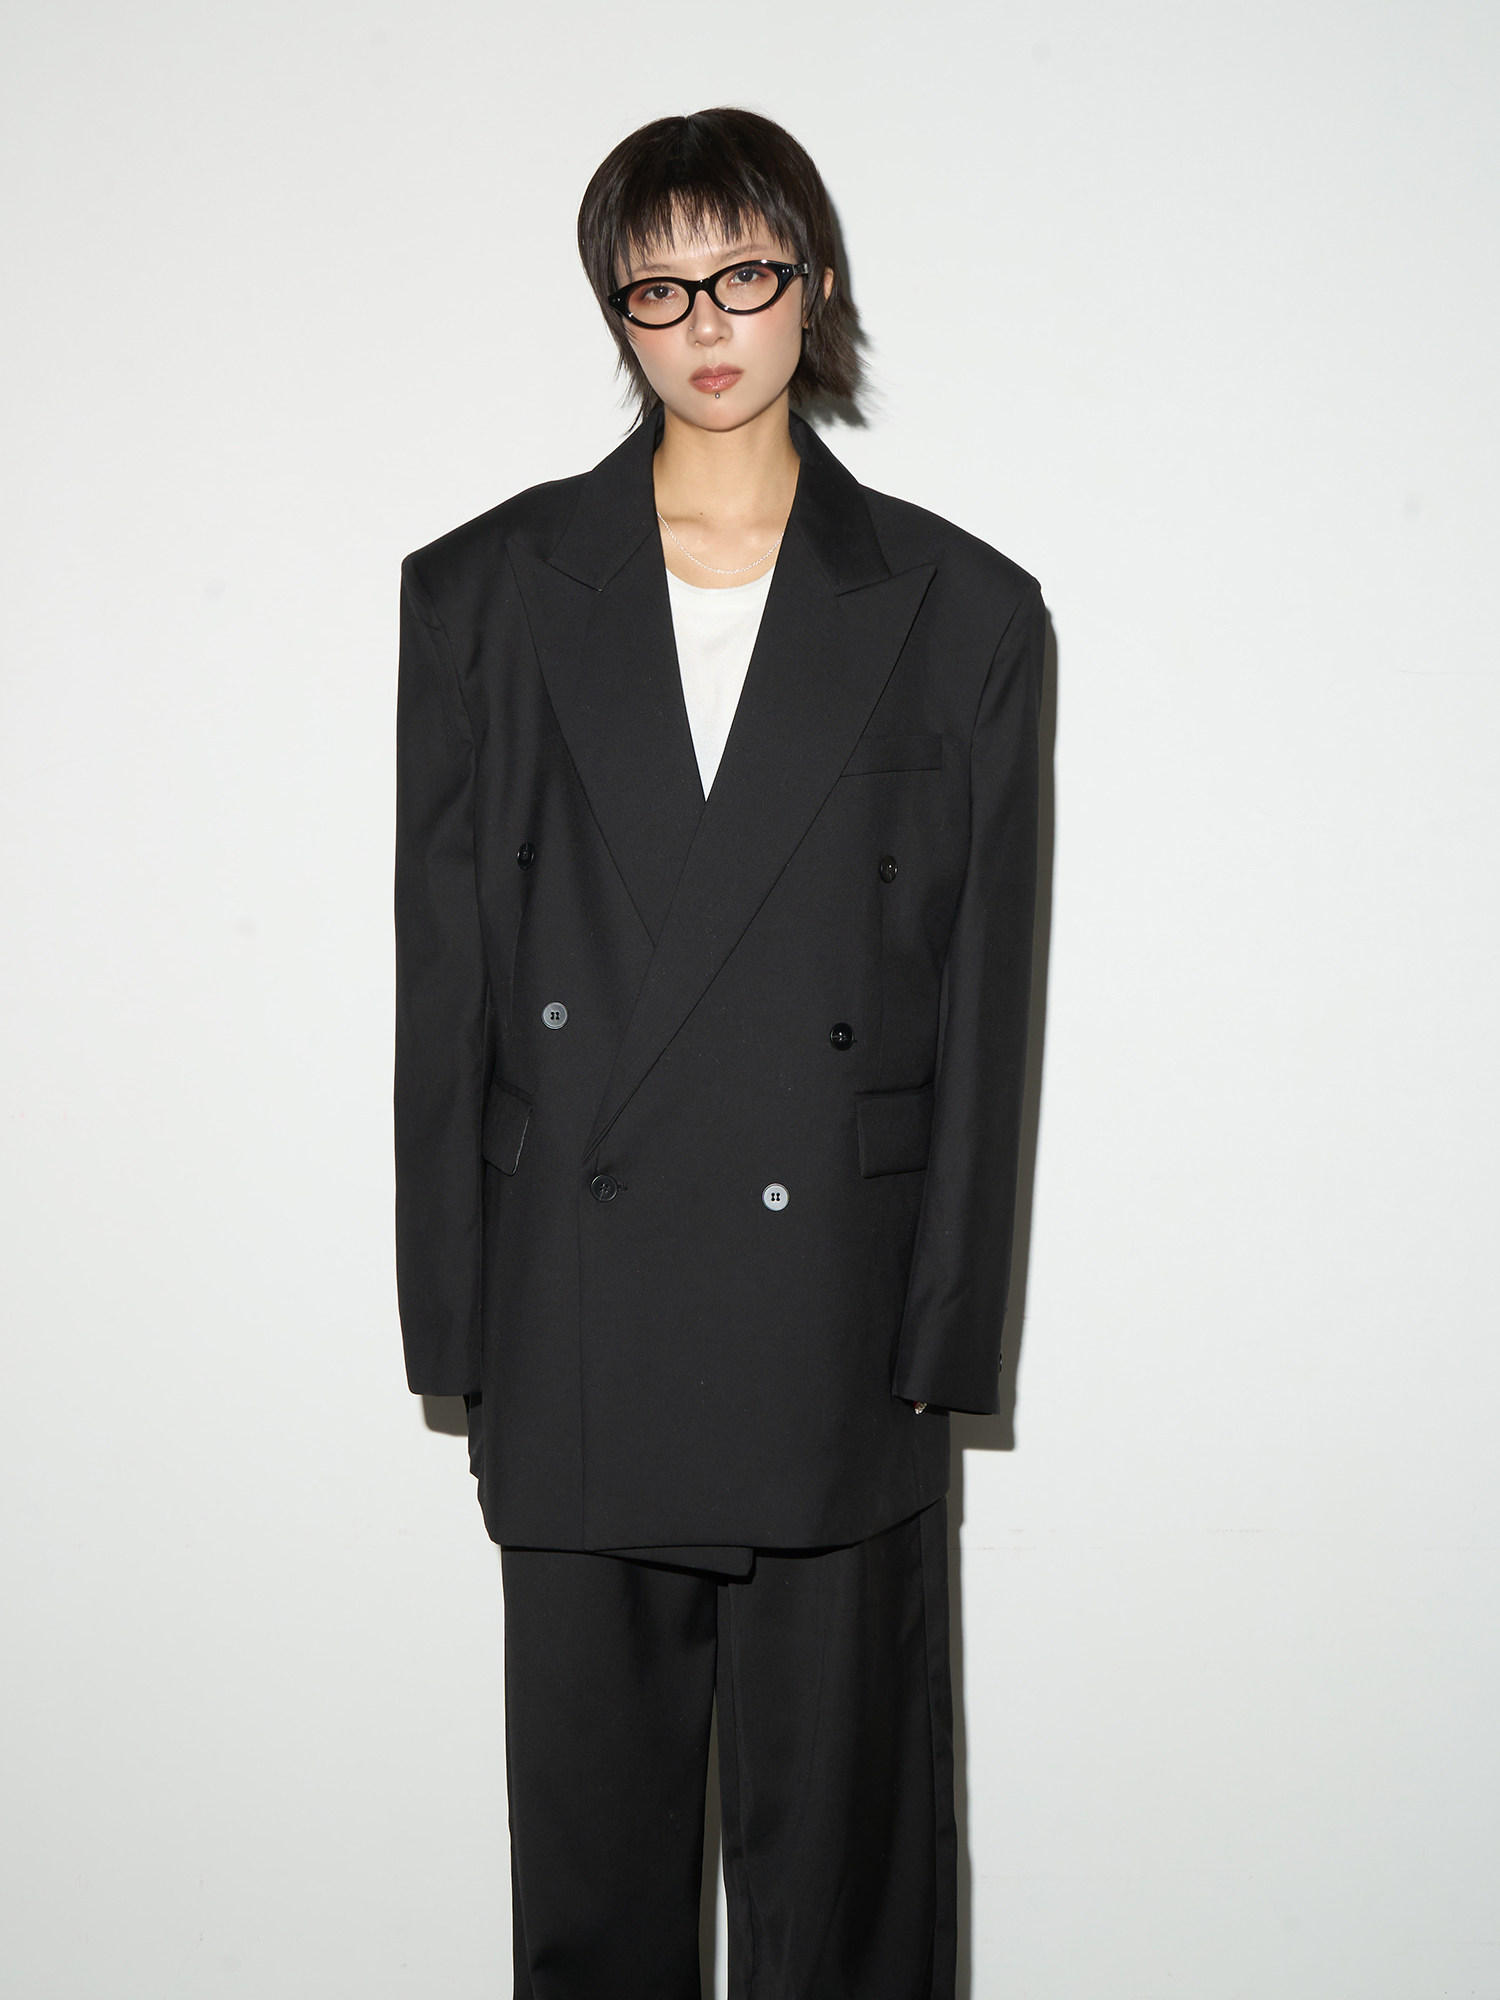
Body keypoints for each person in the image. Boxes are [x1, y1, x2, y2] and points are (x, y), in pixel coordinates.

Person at [394, 105, 1045, 2000]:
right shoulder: (486, 594)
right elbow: (444, 983)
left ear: (812, 282)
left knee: (850, 1906)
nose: (705, 325)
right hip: (580, 1316)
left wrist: (943, 1347)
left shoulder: (964, 610)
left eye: (742, 274)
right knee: (594, 1903)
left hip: (837, 1323)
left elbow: (987, 1005)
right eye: (658, 288)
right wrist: (460, 1325)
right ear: (616, 308)